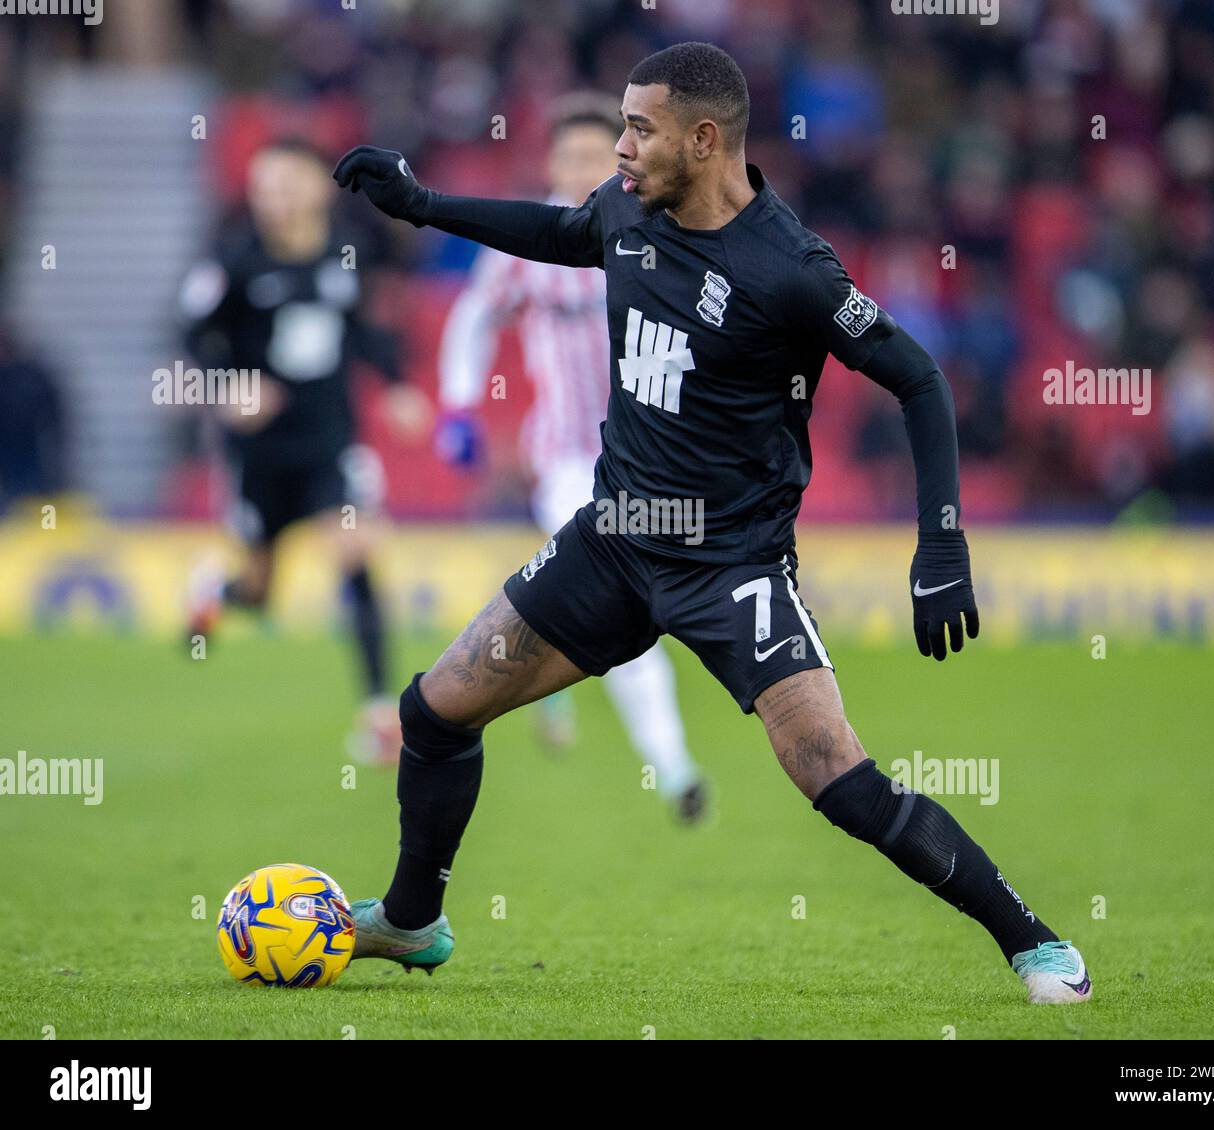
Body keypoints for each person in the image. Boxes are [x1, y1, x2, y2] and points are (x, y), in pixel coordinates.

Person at [332, 43, 1091, 1004]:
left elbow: (920, 379)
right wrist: (424, 204)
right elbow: (560, 231)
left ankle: (1033, 941)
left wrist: (940, 541)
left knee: (837, 777)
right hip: (613, 539)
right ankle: (411, 921)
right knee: (432, 711)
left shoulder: (792, 267)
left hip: (732, 565)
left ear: (702, 139)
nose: (618, 147)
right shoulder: (626, 212)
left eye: (638, 129)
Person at [438, 91, 708, 820]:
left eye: (594, 154)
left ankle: (532, 668)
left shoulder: (660, 230)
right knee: (633, 600)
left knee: (610, 603)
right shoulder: (535, 247)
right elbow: (471, 318)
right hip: (566, 459)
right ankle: (676, 768)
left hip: (655, 459)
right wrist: (459, 405)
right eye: (568, 157)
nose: (580, 168)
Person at [180, 137, 430, 757]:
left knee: (355, 548)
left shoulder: (351, 255)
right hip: (261, 457)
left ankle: (379, 714)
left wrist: (397, 388)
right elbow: (189, 343)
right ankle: (216, 591)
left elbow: (364, 332)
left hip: (331, 444)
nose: (275, 200)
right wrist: (225, 389)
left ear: (320, 188)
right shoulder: (232, 264)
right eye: (264, 189)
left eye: (287, 185)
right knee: (262, 592)